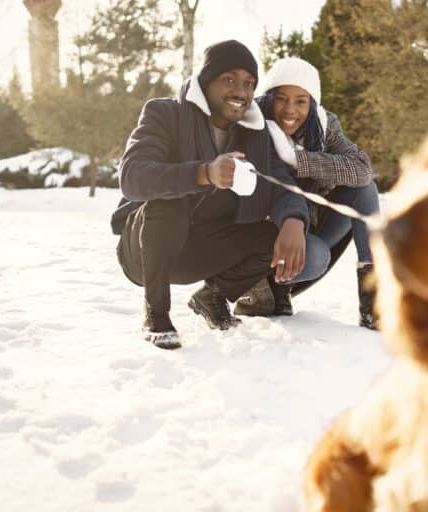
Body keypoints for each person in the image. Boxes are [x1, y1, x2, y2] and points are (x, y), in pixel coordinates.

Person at [110, 41, 329, 349]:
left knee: (270, 233)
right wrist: (204, 174)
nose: (240, 91)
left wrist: (294, 220)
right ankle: (155, 312)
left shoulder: (254, 133)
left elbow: (280, 185)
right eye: (229, 79)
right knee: (169, 201)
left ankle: (213, 296)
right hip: (146, 251)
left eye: (249, 83)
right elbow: (132, 177)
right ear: (206, 81)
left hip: (203, 249)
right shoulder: (165, 113)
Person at [234, 57, 381, 329]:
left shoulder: (325, 126)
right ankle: (263, 287)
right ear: (269, 99)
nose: (290, 109)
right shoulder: (251, 126)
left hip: (310, 225)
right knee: (316, 256)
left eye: (301, 101)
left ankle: (372, 302)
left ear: (312, 103)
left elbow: (362, 170)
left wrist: (296, 159)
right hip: (267, 238)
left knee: (365, 190)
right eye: (281, 99)